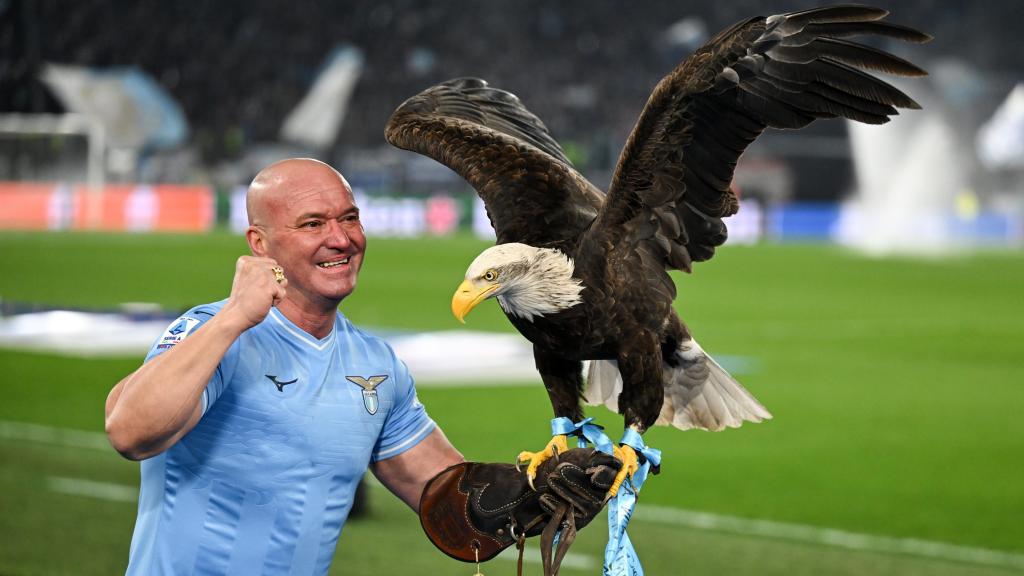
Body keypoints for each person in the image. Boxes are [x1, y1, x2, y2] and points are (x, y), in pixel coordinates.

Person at [105, 158, 617, 576]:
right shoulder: (213, 332)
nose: (341, 238)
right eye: (313, 224)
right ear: (260, 243)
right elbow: (131, 431)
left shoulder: (376, 366)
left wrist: (536, 495)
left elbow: (453, 505)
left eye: (349, 218)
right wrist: (234, 318)